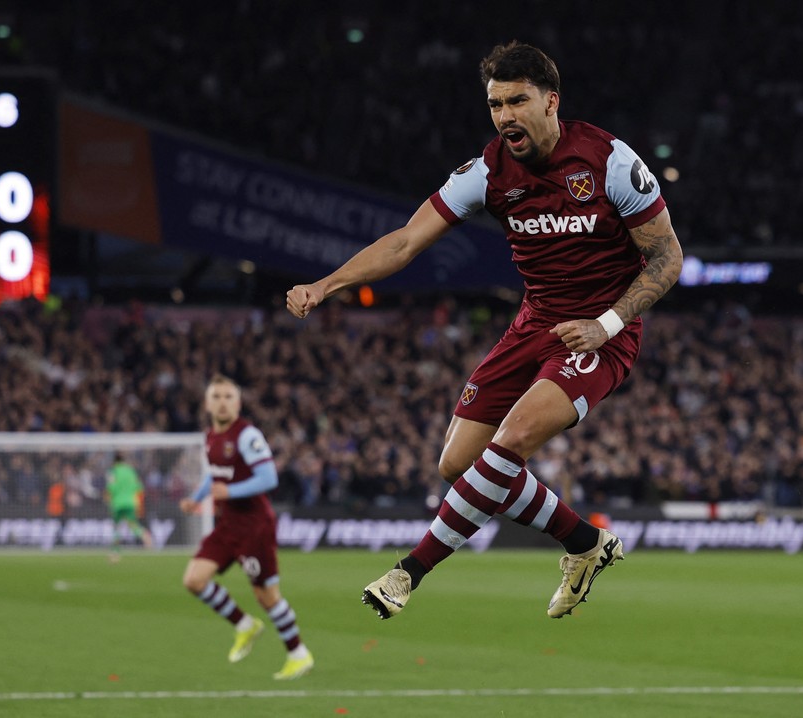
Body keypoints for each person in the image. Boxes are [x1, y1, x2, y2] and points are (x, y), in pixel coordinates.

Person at [286, 41, 683, 620]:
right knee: (458, 464)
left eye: (517, 101)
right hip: (535, 322)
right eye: (495, 104)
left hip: (602, 330)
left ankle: (409, 571)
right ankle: (583, 543)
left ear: (552, 101)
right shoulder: (488, 171)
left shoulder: (609, 161)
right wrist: (327, 285)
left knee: (512, 438)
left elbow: (668, 258)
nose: (504, 117)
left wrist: (607, 323)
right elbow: (404, 241)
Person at [180, 374, 314, 679]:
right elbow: (214, 476)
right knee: (194, 580)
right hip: (229, 523)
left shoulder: (247, 435)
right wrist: (196, 498)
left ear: (238, 403)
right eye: (217, 397)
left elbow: (268, 479)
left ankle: (298, 653)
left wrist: (229, 492)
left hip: (255, 525)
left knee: (266, 596)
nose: (223, 402)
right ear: (207, 403)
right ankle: (244, 625)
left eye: (229, 397)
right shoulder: (210, 436)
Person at [105, 451, 154, 560]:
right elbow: (139, 487)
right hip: (131, 502)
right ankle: (145, 536)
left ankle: (115, 553)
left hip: (117, 503)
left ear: (114, 462)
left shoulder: (112, 471)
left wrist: (110, 502)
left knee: (117, 527)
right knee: (133, 525)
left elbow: (110, 488)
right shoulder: (131, 471)